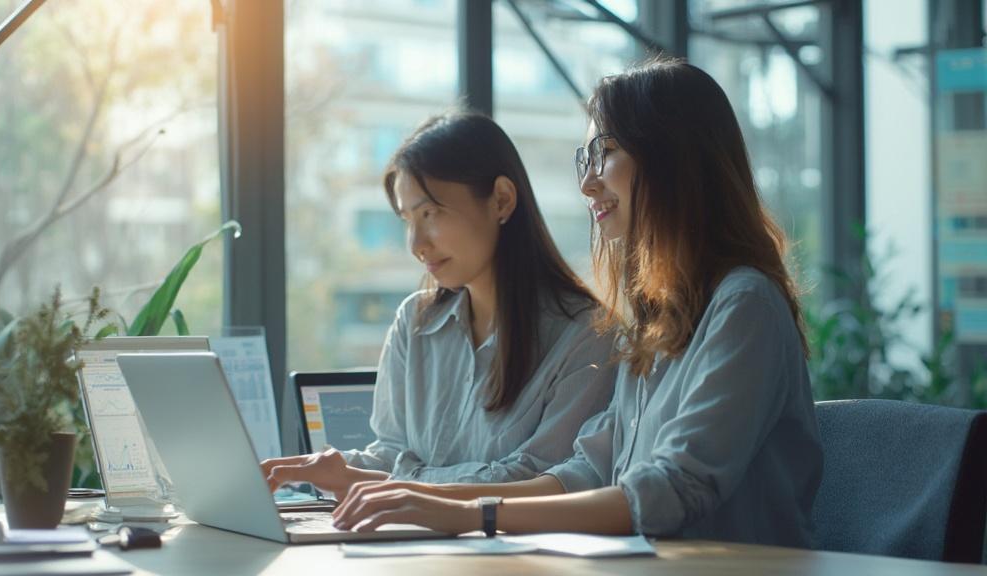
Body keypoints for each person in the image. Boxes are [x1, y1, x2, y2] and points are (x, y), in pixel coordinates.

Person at [326, 58, 824, 549]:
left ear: (674, 157)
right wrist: (422, 499)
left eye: (604, 153)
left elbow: (670, 490)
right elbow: (587, 470)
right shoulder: (657, 322)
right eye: (584, 160)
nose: (587, 183)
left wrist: (467, 514)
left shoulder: (745, 305)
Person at [262, 112, 617, 500]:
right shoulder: (413, 322)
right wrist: (341, 469)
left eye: (430, 213)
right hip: (411, 547)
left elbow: (538, 482)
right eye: (406, 219)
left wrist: (389, 484)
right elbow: (393, 453)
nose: (416, 244)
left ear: (501, 199)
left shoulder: (587, 335)